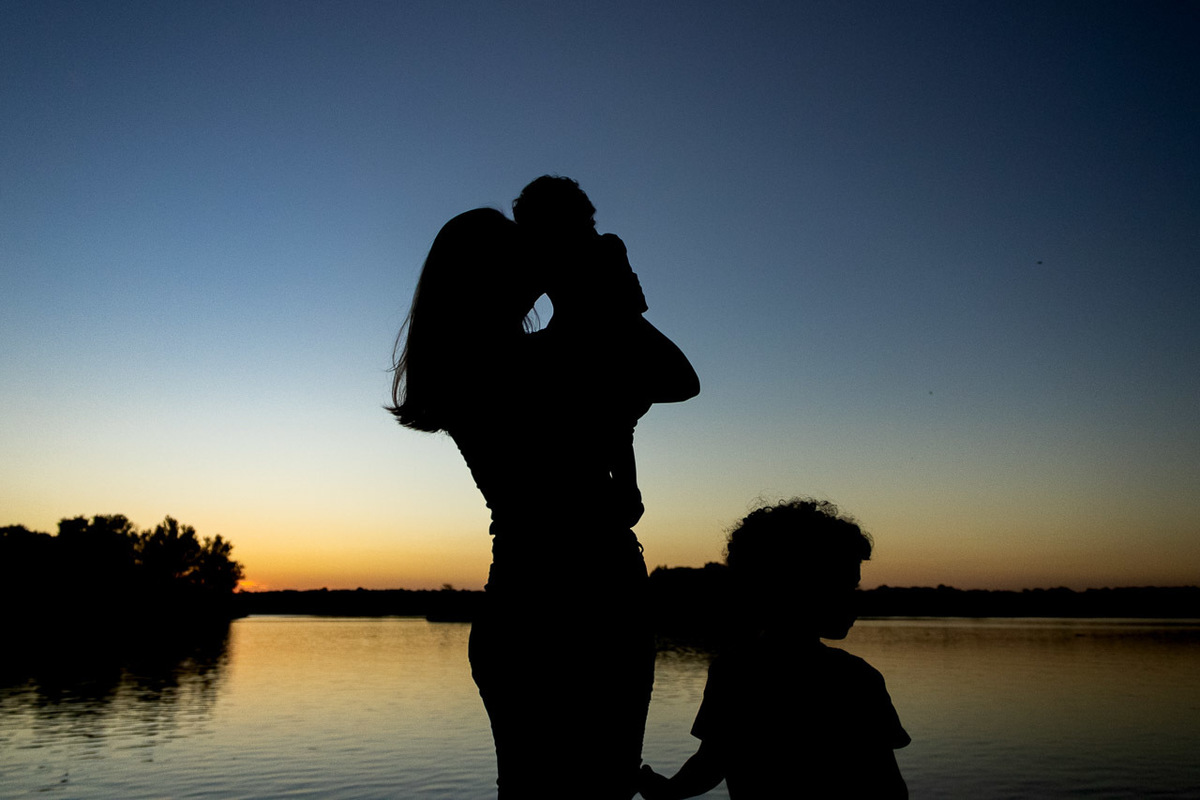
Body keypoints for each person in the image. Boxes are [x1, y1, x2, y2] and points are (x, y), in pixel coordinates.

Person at [389, 205, 699, 799]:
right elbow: (677, 378)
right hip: (590, 604)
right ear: (495, 277)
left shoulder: (476, 367)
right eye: (522, 259)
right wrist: (606, 291)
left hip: (524, 603)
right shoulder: (524, 362)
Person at [638, 499, 909, 799]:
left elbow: (712, 763)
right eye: (844, 587)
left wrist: (664, 789)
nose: (854, 600)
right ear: (794, 588)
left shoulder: (735, 670)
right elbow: (890, 788)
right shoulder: (857, 679)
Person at [513, 175, 697, 527]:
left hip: (607, 352)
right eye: (585, 223)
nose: (595, 232)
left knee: (618, 412)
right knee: (614, 415)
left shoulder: (604, 249)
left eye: (592, 223)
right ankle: (623, 495)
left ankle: (624, 494)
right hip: (584, 354)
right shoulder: (559, 259)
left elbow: (675, 378)